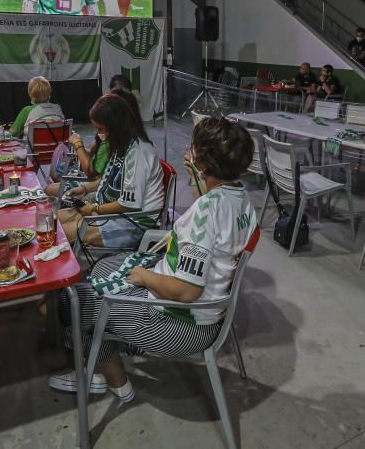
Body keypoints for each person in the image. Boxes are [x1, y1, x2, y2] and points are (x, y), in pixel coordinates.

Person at [47, 117, 257, 400]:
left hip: (181, 325)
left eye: (192, 148)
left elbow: (186, 290)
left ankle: (112, 380)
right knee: (102, 268)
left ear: (203, 164)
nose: (186, 152)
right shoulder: (241, 198)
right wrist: (199, 180)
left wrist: (145, 277)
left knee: (67, 303)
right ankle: (107, 343)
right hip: (207, 313)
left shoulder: (207, 213)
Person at [58, 92, 165, 249]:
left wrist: (95, 209)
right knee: (54, 219)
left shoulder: (138, 153)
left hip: (135, 222)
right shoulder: (121, 145)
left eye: (101, 129)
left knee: (61, 232)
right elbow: (110, 179)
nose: (100, 134)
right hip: (118, 214)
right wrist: (83, 188)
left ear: (115, 126)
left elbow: (129, 204)